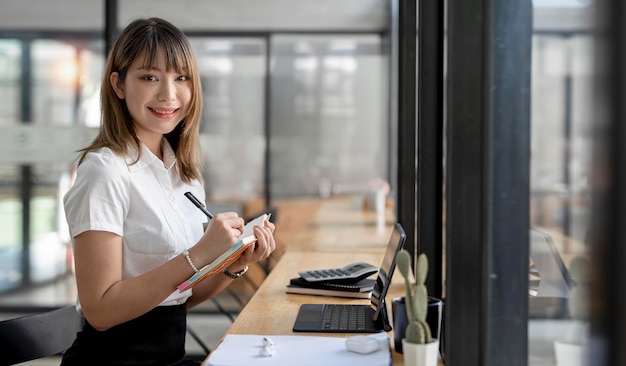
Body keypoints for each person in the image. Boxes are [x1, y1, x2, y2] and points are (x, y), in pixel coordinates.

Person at [60, 17, 276, 365]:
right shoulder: (104, 171)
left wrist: (233, 263)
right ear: (118, 84)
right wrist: (201, 253)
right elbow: (100, 309)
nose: (168, 94)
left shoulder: (185, 175)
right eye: (149, 78)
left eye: (181, 78)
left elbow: (179, 296)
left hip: (171, 357)